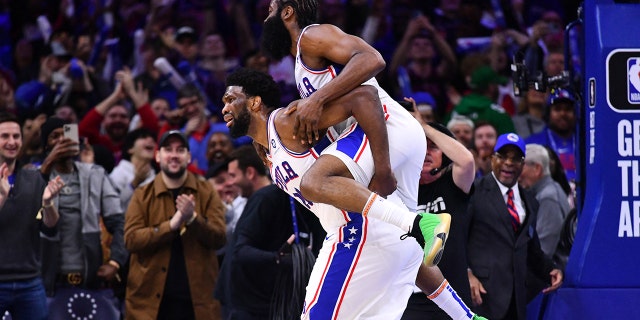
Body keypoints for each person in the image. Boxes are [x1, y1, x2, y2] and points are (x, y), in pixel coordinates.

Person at [222, 68, 485, 320]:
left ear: (255, 103)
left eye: (231, 99)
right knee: (407, 247)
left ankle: (418, 223)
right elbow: (413, 257)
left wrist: (382, 168)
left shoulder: (286, 121)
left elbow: (364, 97)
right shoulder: (262, 148)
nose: (223, 108)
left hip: (354, 228)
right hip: (374, 223)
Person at [124, 130, 226, 320]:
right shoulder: (142, 195)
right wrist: (171, 226)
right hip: (149, 306)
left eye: (180, 150)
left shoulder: (206, 191)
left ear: (188, 157)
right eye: (168, 149)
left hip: (197, 304)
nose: (174, 155)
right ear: (157, 155)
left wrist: (192, 219)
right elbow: (131, 240)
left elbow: (219, 238)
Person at [215, 145, 324, 319]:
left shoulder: (317, 204)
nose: (231, 182)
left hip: (276, 301)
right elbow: (240, 251)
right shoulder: (266, 198)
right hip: (247, 303)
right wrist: (278, 259)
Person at [466, 133, 563, 320]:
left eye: (516, 158)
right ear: (493, 158)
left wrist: (550, 268)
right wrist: (467, 274)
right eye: (503, 156)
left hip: (516, 299)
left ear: (523, 163)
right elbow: (457, 238)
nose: (509, 162)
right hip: (481, 295)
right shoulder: (473, 191)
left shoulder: (530, 200)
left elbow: (530, 247)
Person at [38, 117, 126, 318]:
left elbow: (119, 223)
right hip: (49, 286)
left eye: (66, 134)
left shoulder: (96, 175)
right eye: (54, 137)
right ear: (45, 146)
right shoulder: (35, 177)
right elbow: (29, 220)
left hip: (92, 283)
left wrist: (116, 262)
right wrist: (48, 163)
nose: (62, 140)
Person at [403, 119, 476, 319]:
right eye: (421, 146)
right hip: (409, 297)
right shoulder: (399, 188)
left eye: (433, 147)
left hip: (453, 296)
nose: (426, 152)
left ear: (444, 156)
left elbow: (467, 160)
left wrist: (423, 126)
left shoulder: (453, 185)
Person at [0, 113, 64, 320]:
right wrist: (1, 197)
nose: (12, 142)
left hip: (30, 281)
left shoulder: (34, 178)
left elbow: (47, 226)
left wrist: (47, 204)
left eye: (16, 136)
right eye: (5, 136)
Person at [519, 143, 571, 257]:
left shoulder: (548, 198)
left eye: (520, 167)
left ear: (537, 169)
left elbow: (543, 250)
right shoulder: (544, 192)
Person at [525, 87, 577, 186]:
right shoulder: (532, 143)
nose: (563, 113)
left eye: (568, 109)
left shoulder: (586, 142)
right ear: (548, 113)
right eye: (557, 109)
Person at [109, 128, 157, 211]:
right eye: (143, 137)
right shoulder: (119, 173)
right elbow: (111, 207)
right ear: (130, 149)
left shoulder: (157, 176)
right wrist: (134, 183)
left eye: (153, 139)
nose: (150, 140)